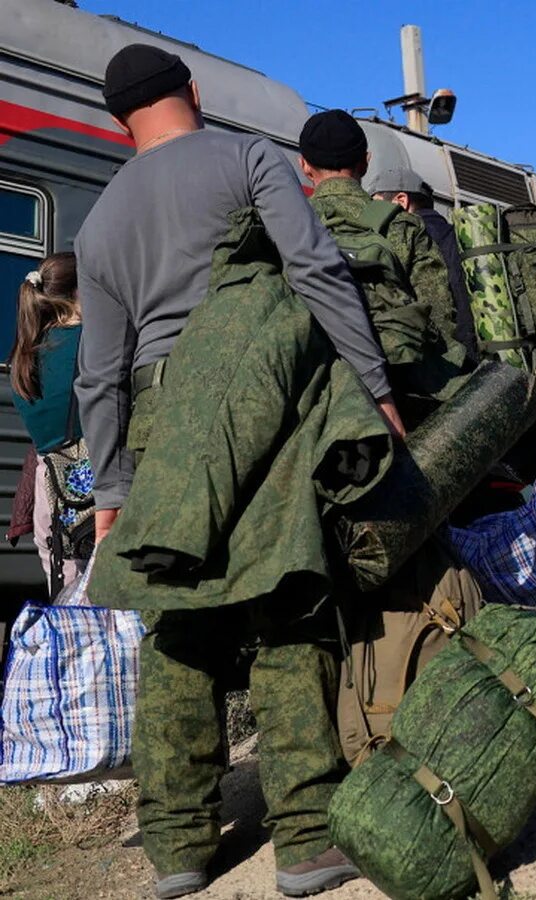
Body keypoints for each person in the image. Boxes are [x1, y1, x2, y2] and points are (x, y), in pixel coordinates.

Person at [75, 45, 401, 897]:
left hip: (153, 423)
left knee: (179, 627)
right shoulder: (249, 158)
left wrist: (111, 488)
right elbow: (317, 270)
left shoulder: (101, 222)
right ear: (192, 92)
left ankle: (179, 846)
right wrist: (375, 388)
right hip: (255, 402)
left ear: (119, 121)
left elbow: (98, 373)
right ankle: (302, 840)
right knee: (286, 601)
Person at [296, 113, 463, 364]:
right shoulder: (404, 227)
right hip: (398, 385)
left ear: (304, 165)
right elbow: (439, 318)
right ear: (365, 162)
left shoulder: (287, 226)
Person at [7, 252, 88, 592]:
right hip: (91, 490)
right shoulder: (89, 344)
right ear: (78, 293)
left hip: (50, 495)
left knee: (67, 602)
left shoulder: (25, 356)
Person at [364, 165, 478, 361]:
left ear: (401, 201)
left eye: (377, 204)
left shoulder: (408, 240)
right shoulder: (462, 239)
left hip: (437, 364)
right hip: (475, 358)